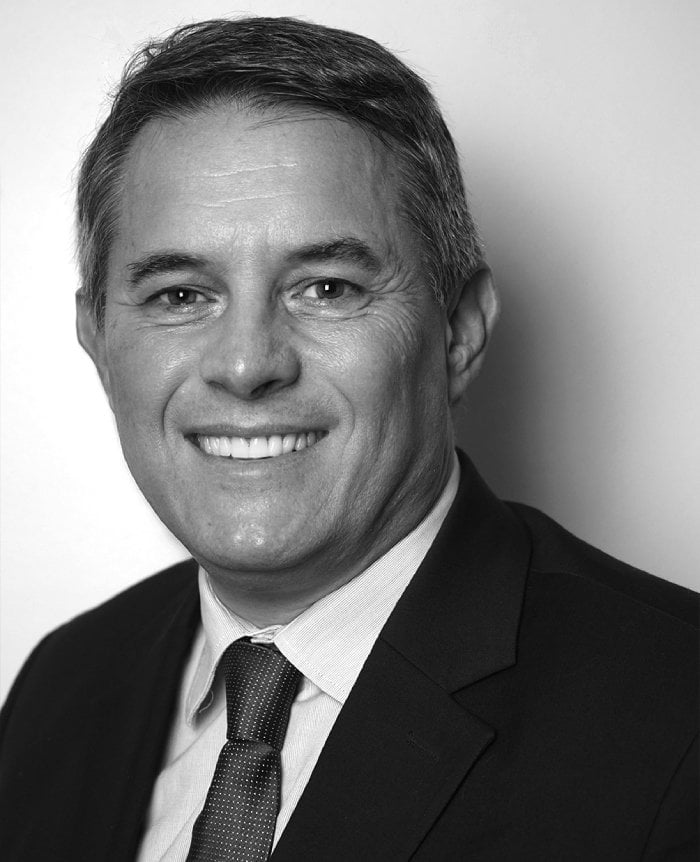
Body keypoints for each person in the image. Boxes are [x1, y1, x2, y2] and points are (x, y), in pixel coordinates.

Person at [0, 16, 696, 862]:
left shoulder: (676, 717)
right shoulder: (61, 687)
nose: (247, 365)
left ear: (459, 331)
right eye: (180, 295)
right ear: (99, 343)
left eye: (327, 287)